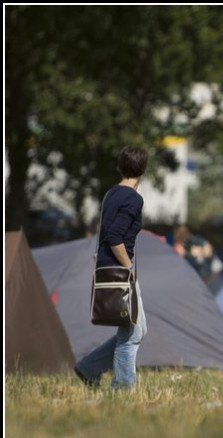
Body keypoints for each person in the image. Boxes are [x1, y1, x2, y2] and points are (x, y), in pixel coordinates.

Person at [74, 145, 150, 389]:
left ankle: (89, 367)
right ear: (143, 170)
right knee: (131, 334)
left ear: (120, 166)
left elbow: (105, 232)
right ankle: (122, 387)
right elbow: (115, 236)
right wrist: (129, 268)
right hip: (120, 271)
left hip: (106, 267)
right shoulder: (134, 199)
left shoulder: (111, 194)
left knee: (137, 329)